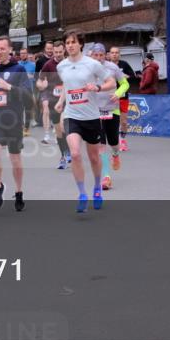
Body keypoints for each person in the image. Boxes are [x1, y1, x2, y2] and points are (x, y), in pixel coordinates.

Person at [56, 30, 116, 213]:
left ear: (80, 44)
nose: (70, 45)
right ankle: (82, 194)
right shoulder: (62, 66)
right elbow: (68, 84)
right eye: (67, 43)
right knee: (74, 154)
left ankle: (97, 188)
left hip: (91, 117)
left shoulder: (92, 64)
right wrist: (60, 101)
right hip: (71, 115)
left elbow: (111, 82)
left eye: (73, 42)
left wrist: (97, 87)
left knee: (93, 157)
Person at [0, 36, 33, 211]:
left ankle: (19, 192)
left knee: (15, 159)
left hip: (13, 121)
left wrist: (9, 88)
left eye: (2, 48)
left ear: (10, 50)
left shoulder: (19, 69)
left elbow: (28, 97)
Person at [89, 44, 128, 188]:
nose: (98, 58)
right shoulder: (87, 68)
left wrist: (118, 94)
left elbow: (124, 84)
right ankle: (106, 176)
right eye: (95, 55)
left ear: (105, 55)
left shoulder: (112, 67)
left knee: (113, 142)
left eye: (101, 55)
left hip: (112, 109)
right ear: (91, 55)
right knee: (101, 144)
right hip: (94, 110)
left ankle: (116, 154)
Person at [37, 40, 70, 166]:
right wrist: (41, 85)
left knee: (62, 126)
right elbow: (39, 82)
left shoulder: (68, 63)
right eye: (55, 52)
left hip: (67, 101)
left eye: (60, 52)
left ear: (64, 51)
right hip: (53, 101)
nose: (57, 54)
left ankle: (68, 152)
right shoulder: (48, 65)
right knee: (58, 131)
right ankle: (63, 155)